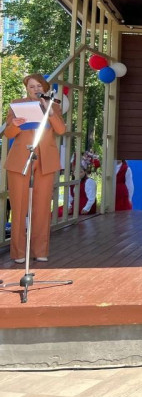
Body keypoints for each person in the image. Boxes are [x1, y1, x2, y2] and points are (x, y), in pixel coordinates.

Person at [4, 74, 67, 263]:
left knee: (41, 207)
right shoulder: (17, 104)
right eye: (31, 87)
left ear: (45, 88)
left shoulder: (54, 106)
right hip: (20, 160)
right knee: (19, 207)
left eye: (38, 86)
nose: (35, 89)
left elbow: (61, 130)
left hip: (45, 160)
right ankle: (18, 252)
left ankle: (40, 250)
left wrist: (50, 112)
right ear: (26, 89)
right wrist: (15, 125)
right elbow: (8, 133)